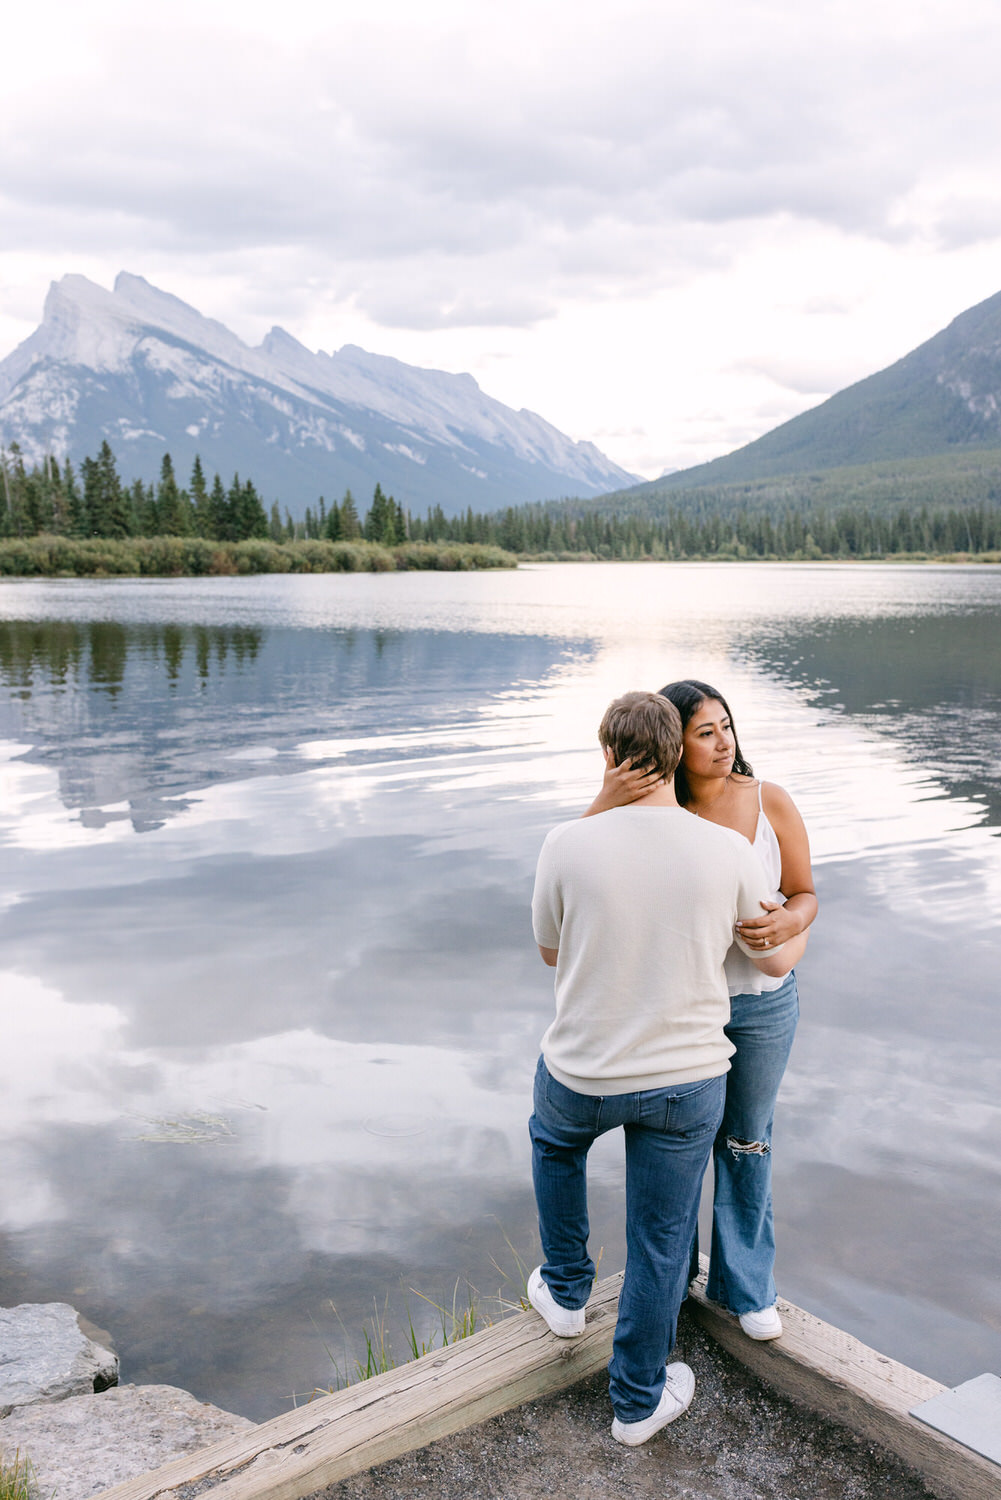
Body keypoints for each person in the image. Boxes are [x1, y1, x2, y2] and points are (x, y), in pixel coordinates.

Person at [528, 691, 791, 1446]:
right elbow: (765, 956)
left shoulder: (565, 842)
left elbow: (550, 950)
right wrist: (803, 919)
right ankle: (636, 1401)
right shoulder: (728, 851)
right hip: (687, 1080)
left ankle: (567, 1292)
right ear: (677, 756)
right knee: (660, 1236)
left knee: (554, 1145)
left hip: (582, 1074)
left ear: (608, 757)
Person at [586, 678, 816, 1342]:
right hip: (684, 1007)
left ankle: (746, 1288)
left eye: (726, 726)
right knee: (673, 1147)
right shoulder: (656, 814)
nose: (723, 743)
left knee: (746, 1141)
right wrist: (605, 794)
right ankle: (667, 1281)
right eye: (704, 732)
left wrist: (790, 924)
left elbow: (804, 892)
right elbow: (576, 862)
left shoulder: (768, 800)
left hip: (765, 1004)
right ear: (673, 746)